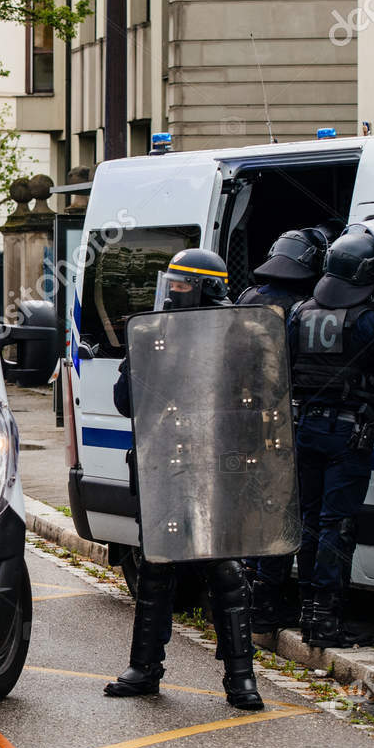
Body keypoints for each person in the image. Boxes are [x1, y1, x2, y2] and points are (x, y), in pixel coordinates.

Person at [105, 247, 265, 710]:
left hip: (219, 466)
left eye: (182, 285)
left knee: (227, 570)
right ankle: (144, 668)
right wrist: (142, 360)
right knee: (157, 565)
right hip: (166, 465)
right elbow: (124, 401)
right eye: (170, 284)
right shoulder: (157, 333)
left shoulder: (240, 336)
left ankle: (241, 678)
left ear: (206, 288)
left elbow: (258, 405)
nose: (173, 294)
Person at [288, 220, 374, 647]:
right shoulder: (366, 320)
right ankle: (326, 622)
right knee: (337, 526)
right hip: (347, 434)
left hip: (305, 428)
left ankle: (306, 613)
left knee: (308, 521)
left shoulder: (300, 313)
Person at [236, 226, 332, 633]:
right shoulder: (302, 308)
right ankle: (266, 604)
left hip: (242, 423)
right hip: (283, 425)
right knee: (285, 514)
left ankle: (246, 598)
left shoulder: (246, 300)